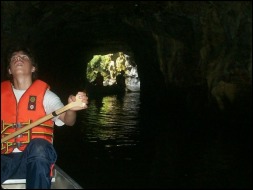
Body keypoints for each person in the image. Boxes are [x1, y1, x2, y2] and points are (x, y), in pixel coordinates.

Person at [1, 46, 88, 189]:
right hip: (4, 159)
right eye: (14, 58)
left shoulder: (46, 96)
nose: (18, 59)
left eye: (24, 57)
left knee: (39, 146)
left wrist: (72, 108)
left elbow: (68, 120)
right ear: (9, 70)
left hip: (35, 160)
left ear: (33, 68)